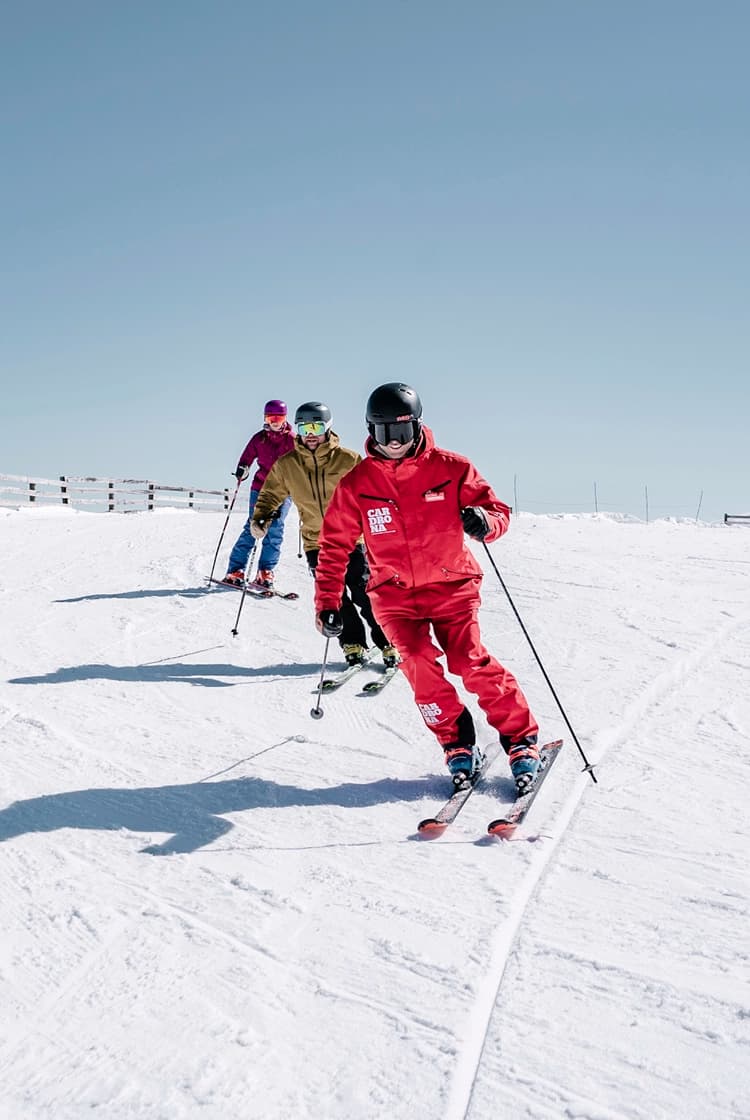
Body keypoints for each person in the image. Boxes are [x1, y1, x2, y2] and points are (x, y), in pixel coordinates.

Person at [312, 382, 540, 793]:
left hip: (453, 588)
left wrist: (484, 523)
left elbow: (497, 511)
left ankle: (520, 740)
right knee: (416, 662)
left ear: (417, 426)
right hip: (394, 596)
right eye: (384, 434)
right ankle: (456, 742)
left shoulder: (451, 468)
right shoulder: (357, 483)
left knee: (468, 661)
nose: (394, 443)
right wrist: (328, 603)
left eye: (402, 432)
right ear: (370, 431)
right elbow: (333, 546)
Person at [250, 401, 398, 668]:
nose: (310, 433)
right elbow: (271, 493)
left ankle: (388, 640)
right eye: (304, 427)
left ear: (327, 427)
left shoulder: (349, 460)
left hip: (352, 539)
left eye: (316, 426)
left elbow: (374, 492)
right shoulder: (287, 465)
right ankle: (352, 642)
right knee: (335, 596)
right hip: (315, 542)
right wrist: (262, 515)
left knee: (364, 592)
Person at [223, 400, 295, 589]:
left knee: (275, 528)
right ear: (265, 418)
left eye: (278, 418)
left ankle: (265, 572)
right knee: (254, 526)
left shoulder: (293, 440)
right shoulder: (259, 438)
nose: (275, 422)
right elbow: (246, 458)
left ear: (285, 419)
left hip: (283, 491)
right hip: (260, 488)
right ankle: (235, 570)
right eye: (271, 418)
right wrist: (242, 469)